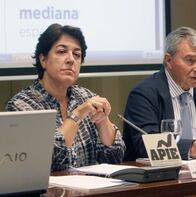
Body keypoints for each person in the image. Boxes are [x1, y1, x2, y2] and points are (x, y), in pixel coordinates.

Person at [5, 24, 125, 171]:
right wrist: (77, 115)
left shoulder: (87, 97)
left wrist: (103, 120)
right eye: (62, 51)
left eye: (77, 54)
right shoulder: (22, 105)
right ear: (43, 59)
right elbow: (49, 158)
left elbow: (116, 157)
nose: (71, 60)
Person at [123, 27, 196, 161]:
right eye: (190, 60)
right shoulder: (143, 94)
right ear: (168, 60)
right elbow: (144, 145)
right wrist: (192, 148)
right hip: (157, 178)